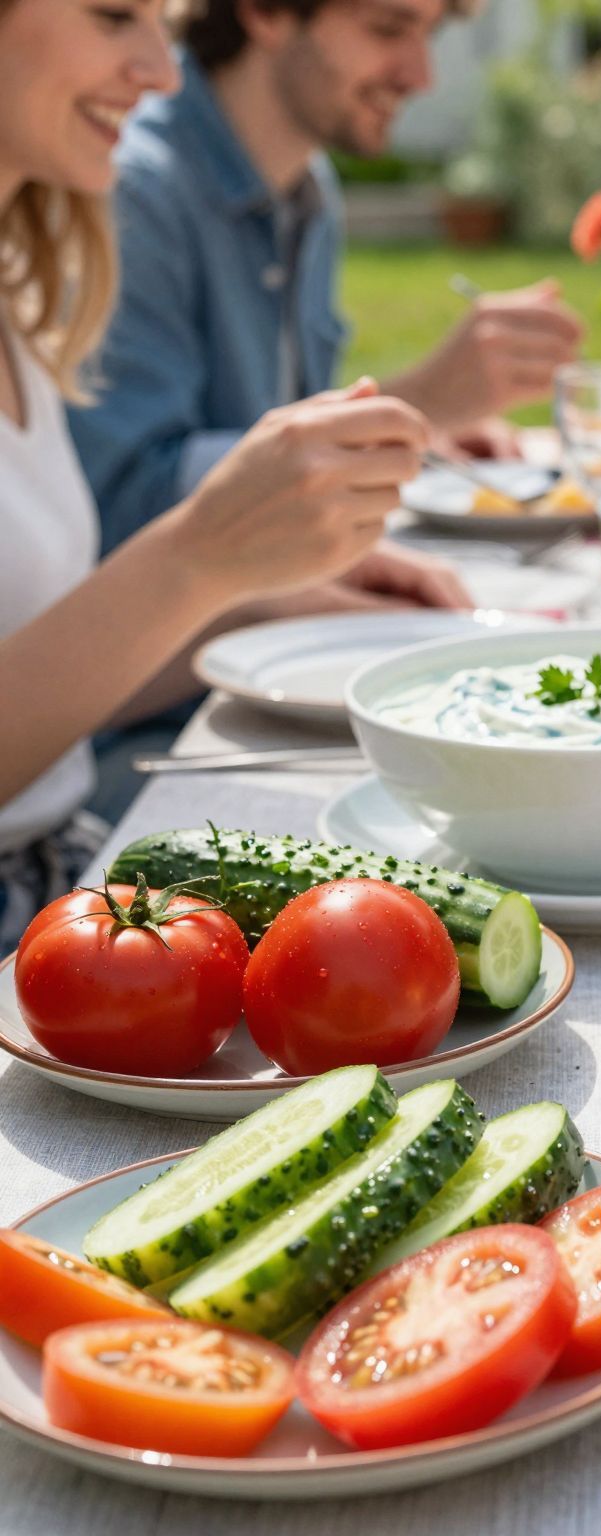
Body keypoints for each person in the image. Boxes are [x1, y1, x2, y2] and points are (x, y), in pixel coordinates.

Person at [0, 0, 443, 945]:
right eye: (113, 15)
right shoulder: (140, 197)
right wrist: (200, 558)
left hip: (67, 884)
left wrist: (261, 596)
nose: (163, 74)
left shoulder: (23, 296)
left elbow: (52, 687)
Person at [67, 0, 586, 550]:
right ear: (266, 12)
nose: (421, 77)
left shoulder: (307, 190)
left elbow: (274, 427)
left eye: (428, 36)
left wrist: (402, 438)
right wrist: (416, 407)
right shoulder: (132, 193)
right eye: (388, 29)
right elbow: (122, 502)